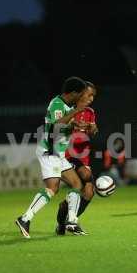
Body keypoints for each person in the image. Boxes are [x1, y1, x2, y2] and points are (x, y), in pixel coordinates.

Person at [15, 77, 88, 238]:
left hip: (58, 154)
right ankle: (25, 218)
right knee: (52, 188)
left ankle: (71, 221)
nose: (82, 98)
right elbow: (55, 127)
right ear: (74, 93)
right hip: (50, 151)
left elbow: (62, 126)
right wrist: (76, 111)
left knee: (77, 184)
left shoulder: (65, 105)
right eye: (81, 94)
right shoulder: (57, 104)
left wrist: (77, 126)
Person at [55, 81, 98, 235]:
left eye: (94, 95)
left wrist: (93, 129)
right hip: (68, 155)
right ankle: (72, 222)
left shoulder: (90, 112)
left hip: (83, 157)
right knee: (84, 179)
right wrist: (72, 126)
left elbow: (93, 130)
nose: (92, 98)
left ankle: (64, 220)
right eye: (89, 94)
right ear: (80, 93)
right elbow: (58, 128)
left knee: (89, 192)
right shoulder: (68, 109)